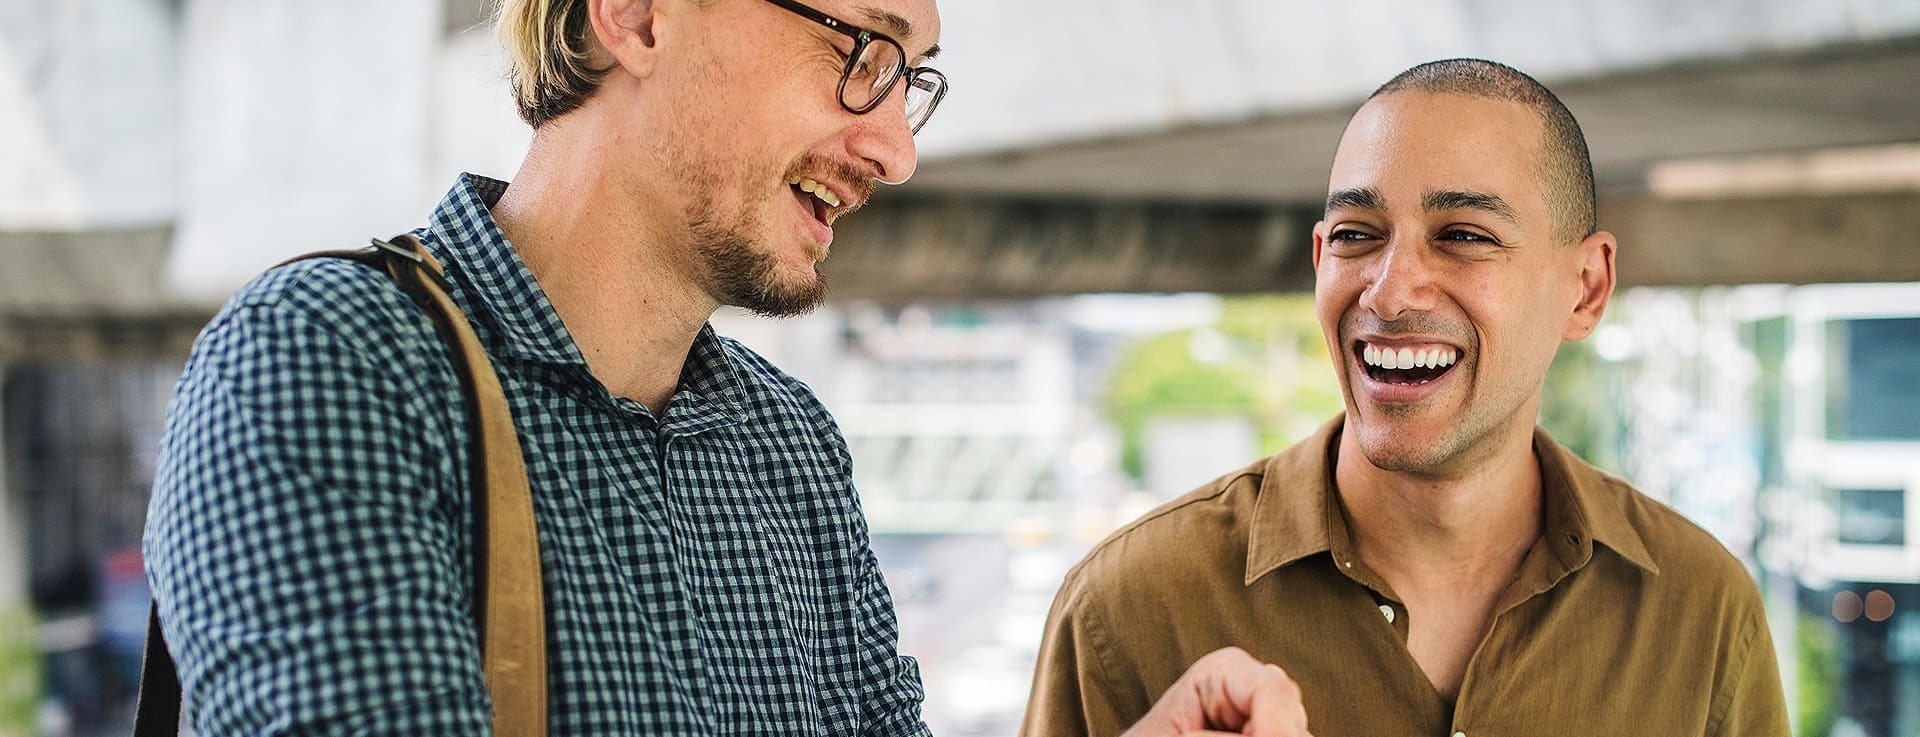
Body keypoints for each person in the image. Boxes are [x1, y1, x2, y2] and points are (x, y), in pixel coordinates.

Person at [143, 0, 1311, 734]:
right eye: (859, 49)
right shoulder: (332, 361)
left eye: (913, 78)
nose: (896, 149)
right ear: (639, 16)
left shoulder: (788, 443)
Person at [1021, 58, 1790, 737]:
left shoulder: (1702, 609)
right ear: (1320, 259)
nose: (1389, 292)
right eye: (1356, 234)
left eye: (1464, 235)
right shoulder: (1125, 607)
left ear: (1585, 288)